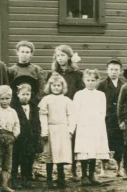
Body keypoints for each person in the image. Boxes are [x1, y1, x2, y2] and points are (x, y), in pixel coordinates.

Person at [50, 45, 84, 180]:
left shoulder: (77, 74)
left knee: (72, 138)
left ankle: (74, 168)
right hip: (56, 110)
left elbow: (80, 92)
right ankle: (58, 168)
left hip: (71, 110)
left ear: (69, 57)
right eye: (58, 56)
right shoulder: (53, 74)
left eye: (63, 55)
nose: (60, 58)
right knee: (57, 139)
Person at [37, 72, 75, 189]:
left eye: (58, 85)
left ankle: (61, 177)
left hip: (63, 129)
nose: (56, 88)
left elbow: (71, 115)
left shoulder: (67, 100)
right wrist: (44, 131)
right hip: (50, 128)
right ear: (50, 86)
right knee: (50, 154)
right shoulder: (46, 99)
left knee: (61, 153)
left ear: (62, 87)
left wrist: (70, 130)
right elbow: (43, 116)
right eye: (53, 85)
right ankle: (49, 178)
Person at [72, 69, 109, 186]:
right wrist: (76, 125)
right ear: (84, 80)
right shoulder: (79, 94)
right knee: (84, 150)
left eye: (93, 80)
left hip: (96, 126)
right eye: (88, 80)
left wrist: (98, 124)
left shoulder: (101, 95)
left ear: (97, 81)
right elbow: (75, 111)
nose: (90, 83)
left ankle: (92, 174)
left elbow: (102, 111)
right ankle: (84, 175)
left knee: (93, 150)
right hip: (83, 126)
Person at [97, 58, 127, 177]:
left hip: (119, 118)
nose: (113, 72)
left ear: (120, 71)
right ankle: (103, 168)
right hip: (106, 118)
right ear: (107, 71)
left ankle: (118, 168)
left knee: (120, 143)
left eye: (116, 69)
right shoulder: (102, 85)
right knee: (105, 142)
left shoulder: (124, 85)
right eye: (111, 69)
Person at [10, 77, 41, 190]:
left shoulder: (34, 107)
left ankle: (26, 180)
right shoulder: (13, 107)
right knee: (15, 160)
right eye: (23, 94)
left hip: (30, 140)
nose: (25, 97)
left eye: (27, 94)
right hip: (18, 139)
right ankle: (13, 180)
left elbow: (37, 124)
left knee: (28, 161)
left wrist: (37, 138)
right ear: (17, 94)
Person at [0, 85, 20, 192]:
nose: (5, 101)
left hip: (9, 139)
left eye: (7, 98)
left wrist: (14, 135)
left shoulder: (13, 112)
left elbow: (17, 124)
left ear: (11, 98)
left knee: (7, 164)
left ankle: (5, 185)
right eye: (2, 99)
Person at [7, 41, 45, 105]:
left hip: (33, 102)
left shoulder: (36, 69)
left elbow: (41, 87)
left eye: (27, 52)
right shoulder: (11, 70)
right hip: (16, 103)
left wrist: (37, 100)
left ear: (31, 54)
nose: (24, 54)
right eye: (22, 52)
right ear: (17, 52)